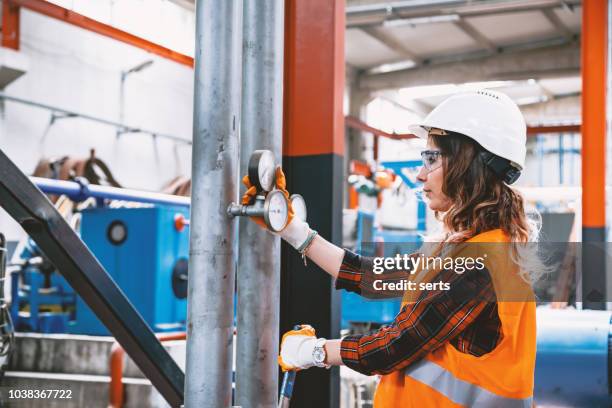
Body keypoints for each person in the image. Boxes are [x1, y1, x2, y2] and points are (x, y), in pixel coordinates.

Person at [242, 89, 538, 407]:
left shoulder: (480, 264)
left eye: (432, 159)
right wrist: (293, 230)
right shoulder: (464, 248)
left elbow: (394, 346)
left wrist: (314, 351)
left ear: (468, 165)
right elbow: (372, 276)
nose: (421, 173)